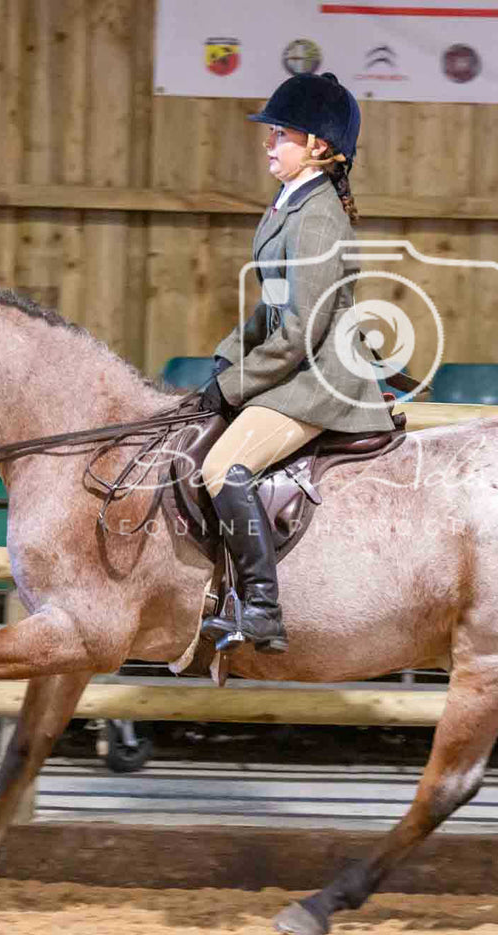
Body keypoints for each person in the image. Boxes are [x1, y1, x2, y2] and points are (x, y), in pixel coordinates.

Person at [195, 72, 393, 654]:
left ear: (319, 147)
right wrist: (224, 361)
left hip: (322, 379)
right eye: (273, 132)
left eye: (281, 133)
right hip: (296, 366)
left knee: (223, 467)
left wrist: (236, 386)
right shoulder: (288, 205)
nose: (269, 142)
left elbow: (303, 329)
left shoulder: (318, 217)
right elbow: (273, 304)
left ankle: (262, 608)